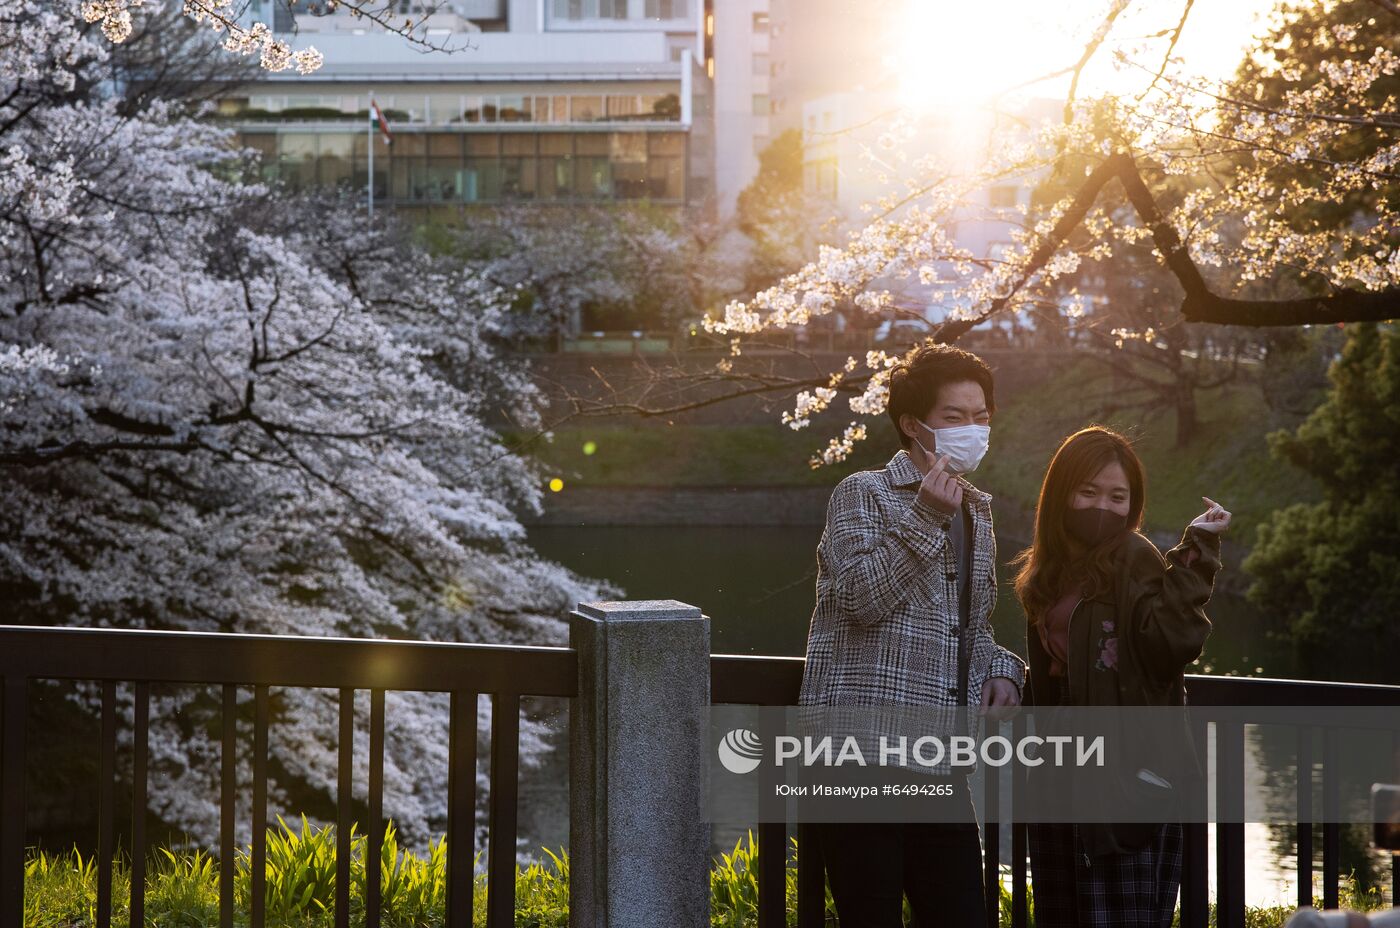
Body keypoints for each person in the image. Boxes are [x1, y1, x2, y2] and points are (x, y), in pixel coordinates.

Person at [798, 343, 1026, 927]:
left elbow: (967, 626)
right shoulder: (862, 492)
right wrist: (924, 515)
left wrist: (1002, 665)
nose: (972, 429)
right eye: (955, 417)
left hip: (938, 758)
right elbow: (858, 600)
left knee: (963, 914)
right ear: (912, 425)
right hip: (856, 754)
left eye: (982, 417)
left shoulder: (976, 511)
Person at [1009, 425, 1230, 928]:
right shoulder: (1050, 570)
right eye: (1087, 492)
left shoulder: (1134, 557)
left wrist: (1196, 553)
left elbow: (1172, 642)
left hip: (1124, 779)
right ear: (1061, 493)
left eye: (1117, 496)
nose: (1102, 507)